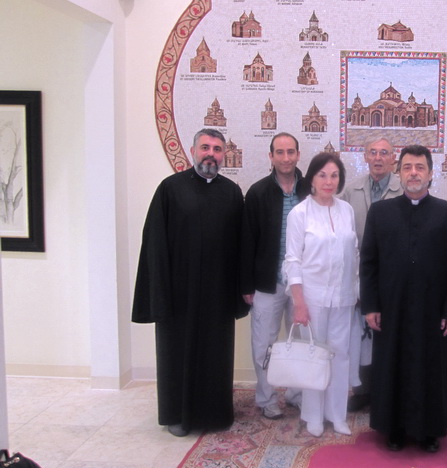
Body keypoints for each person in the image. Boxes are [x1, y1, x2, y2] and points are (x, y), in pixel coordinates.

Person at [133, 128, 247, 436]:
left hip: (218, 293)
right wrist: (159, 292)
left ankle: (216, 415)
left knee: (215, 356)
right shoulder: (170, 189)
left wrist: (242, 288)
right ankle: (177, 416)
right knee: (177, 354)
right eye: (205, 147)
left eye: (218, 149)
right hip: (178, 293)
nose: (211, 153)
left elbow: (241, 244)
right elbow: (155, 244)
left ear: (224, 155)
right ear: (193, 150)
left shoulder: (232, 192)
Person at [360, 144, 447, 453]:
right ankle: (392, 428)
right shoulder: (381, 212)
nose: (414, 173)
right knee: (391, 366)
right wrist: (370, 305)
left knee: (429, 368)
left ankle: (429, 430)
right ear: (399, 172)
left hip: (433, 310)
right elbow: (368, 262)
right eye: (407, 167)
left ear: (431, 173)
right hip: (390, 307)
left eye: (420, 167)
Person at [285, 152, 359, 437]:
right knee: (315, 356)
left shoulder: (346, 210)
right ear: (312, 179)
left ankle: (337, 414)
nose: (329, 181)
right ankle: (313, 416)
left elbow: (352, 253)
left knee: (340, 355)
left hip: (343, 297)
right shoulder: (299, 214)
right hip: (311, 298)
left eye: (334, 175)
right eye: (323, 175)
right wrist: (299, 302)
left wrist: (355, 289)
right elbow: (292, 260)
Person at [240, 133, 310, 420]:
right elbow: (246, 242)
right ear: (271, 156)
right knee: (263, 345)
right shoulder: (257, 192)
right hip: (267, 282)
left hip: (303, 284)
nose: (285, 158)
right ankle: (266, 398)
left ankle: (297, 395)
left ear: (298, 154)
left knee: (301, 343)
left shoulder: (311, 190)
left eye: (290, 152)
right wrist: (246, 284)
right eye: (279, 152)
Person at [339, 137, 402, 412]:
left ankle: (387, 392)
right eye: (373, 153)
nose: (378, 158)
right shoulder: (351, 190)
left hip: (394, 274)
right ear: (364, 156)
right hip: (361, 273)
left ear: (393, 159)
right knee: (362, 334)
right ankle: (363, 390)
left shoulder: (403, 191)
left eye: (384, 153)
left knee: (390, 333)